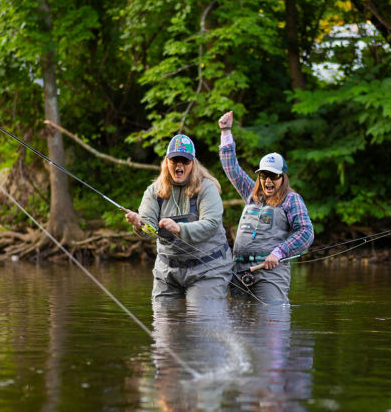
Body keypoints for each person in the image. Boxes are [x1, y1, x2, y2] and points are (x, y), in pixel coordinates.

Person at [218, 111, 314, 304]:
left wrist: (279, 252)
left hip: (270, 272)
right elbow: (232, 169)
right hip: (240, 271)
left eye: (273, 176)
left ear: (282, 178)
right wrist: (226, 131)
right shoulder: (251, 194)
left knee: (271, 322)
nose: (268, 180)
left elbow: (306, 232)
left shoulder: (291, 200)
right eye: (263, 175)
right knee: (240, 324)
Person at [125, 134, 233, 301]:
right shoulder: (154, 191)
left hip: (209, 269)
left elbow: (211, 224)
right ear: (167, 162)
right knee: (164, 325)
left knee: (202, 322)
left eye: (185, 160)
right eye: (174, 160)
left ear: (193, 164)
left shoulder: (207, 188)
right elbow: (149, 229)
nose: (179, 165)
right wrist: (139, 224)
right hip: (167, 272)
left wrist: (179, 228)